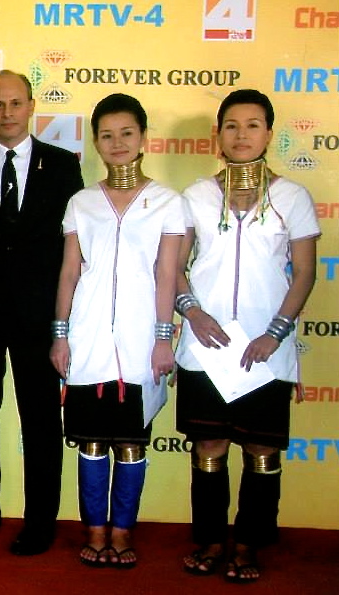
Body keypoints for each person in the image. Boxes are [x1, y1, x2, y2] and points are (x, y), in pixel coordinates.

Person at [176, 89, 319, 584]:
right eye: (231, 125)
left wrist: (275, 333)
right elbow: (173, 268)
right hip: (206, 347)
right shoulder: (195, 195)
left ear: (269, 134)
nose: (241, 135)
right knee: (208, 447)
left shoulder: (292, 197)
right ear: (217, 136)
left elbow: (303, 272)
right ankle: (212, 540)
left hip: (266, 348)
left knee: (262, 452)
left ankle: (249, 544)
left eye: (253, 125)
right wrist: (192, 313)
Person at [0, 70, 83, 554]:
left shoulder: (65, 167)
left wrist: (64, 319)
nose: (6, 113)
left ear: (31, 106)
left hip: (40, 318)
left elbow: (74, 250)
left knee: (42, 418)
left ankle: (41, 519)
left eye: (15, 103)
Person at [49, 94, 184, 568]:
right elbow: (69, 272)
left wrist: (164, 337)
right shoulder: (81, 202)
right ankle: (95, 529)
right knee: (90, 440)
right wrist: (60, 334)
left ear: (144, 138)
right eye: (107, 135)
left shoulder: (168, 201)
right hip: (86, 336)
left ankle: (123, 532)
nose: (118, 142)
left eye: (127, 133)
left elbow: (167, 274)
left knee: (130, 443)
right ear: (96, 144)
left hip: (141, 337)